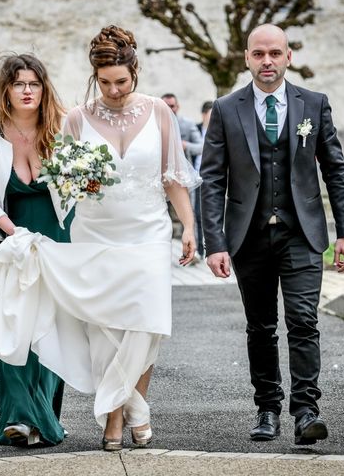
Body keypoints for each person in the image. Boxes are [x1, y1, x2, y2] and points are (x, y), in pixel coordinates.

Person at [200, 24, 344, 445]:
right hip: (248, 236)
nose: (267, 61)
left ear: (288, 56)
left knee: (304, 321)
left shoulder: (314, 104)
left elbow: (335, 169)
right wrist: (213, 242)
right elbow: (212, 179)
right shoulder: (226, 108)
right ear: (247, 58)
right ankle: (267, 408)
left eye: (275, 53)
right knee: (260, 327)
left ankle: (306, 411)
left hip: (302, 233)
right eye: (258, 54)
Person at [62, 25, 200, 450]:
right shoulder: (76, 119)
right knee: (106, 330)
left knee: (144, 326)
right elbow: (64, 183)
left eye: (121, 81)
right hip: (95, 235)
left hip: (149, 233)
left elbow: (173, 177)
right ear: (94, 76)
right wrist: (77, 184)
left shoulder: (160, 112)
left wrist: (190, 227)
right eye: (105, 82)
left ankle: (122, 415)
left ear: (135, 72)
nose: (114, 90)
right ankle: (125, 414)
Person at [0, 53, 72, 447]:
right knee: (13, 324)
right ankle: (19, 419)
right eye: (19, 83)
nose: (27, 91)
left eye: (34, 83)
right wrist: (10, 231)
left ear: (44, 88)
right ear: (6, 89)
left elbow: (80, 181)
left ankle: (43, 417)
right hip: (9, 239)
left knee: (52, 328)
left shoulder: (61, 124)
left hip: (57, 235)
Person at [161, 93, 203, 261]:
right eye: (165, 106)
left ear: (177, 107)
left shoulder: (187, 124)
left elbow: (201, 146)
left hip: (184, 180)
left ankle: (195, 253)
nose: (169, 109)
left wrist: (185, 145)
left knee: (189, 215)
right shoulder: (153, 124)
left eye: (171, 106)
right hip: (159, 180)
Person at [193, 100, 213, 258]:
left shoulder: (221, 130)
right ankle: (200, 249)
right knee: (198, 215)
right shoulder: (196, 129)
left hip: (212, 178)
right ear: (204, 115)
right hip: (196, 178)